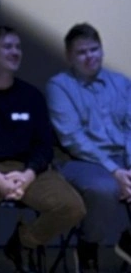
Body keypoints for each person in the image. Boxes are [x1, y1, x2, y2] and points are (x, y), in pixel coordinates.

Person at [0, 25, 85, 273]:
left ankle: (23, 243)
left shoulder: (31, 96)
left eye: (18, 47)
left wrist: (28, 174)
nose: (15, 52)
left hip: (28, 171)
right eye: (7, 47)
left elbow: (44, 145)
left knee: (72, 206)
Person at [46, 22, 131, 272]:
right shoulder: (59, 86)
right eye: (81, 52)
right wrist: (115, 171)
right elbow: (73, 138)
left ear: (101, 50)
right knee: (104, 188)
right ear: (69, 56)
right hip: (79, 160)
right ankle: (87, 246)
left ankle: (128, 241)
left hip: (121, 158)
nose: (90, 56)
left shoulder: (121, 83)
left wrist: (129, 166)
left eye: (94, 49)